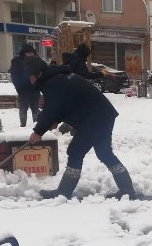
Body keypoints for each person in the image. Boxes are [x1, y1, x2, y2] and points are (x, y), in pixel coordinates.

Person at [23, 56, 137, 200]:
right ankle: (127, 189)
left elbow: (52, 109)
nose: (30, 81)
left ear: (38, 74)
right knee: (104, 153)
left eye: (30, 77)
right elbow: (65, 103)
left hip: (94, 118)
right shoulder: (58, 78)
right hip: (102, 115)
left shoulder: (52, 83)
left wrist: (38, 132)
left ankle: (64, 192)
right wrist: (55, 119)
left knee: (75, 151)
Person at [8, 44, 40, 127]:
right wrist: (19, 88)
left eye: (32, 53)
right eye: (29, 53)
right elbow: (15, 76)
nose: (31, 54)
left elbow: (40, 74)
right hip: (23, 90)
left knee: (35, 109)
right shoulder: (17, 61)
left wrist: (39, 86)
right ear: (24, 53)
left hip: (35, 89)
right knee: (23, 109)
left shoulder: (37, 61)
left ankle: (36, 126)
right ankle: (23, 126)